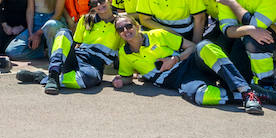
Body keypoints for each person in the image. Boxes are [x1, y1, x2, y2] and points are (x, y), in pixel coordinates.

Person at [111, 14, 264, 114]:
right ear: (118, 33)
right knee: (200, 97)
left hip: (189, 63)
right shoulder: (124, 53)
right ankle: (252, 96)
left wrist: (175, 59)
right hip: (179, 81)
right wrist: (120, 81)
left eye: (129, 26)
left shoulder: (158, 34)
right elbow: (127, 77)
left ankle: (246, 91)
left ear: (136, 26)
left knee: (204, 46)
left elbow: (191, 46)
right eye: (120, 29)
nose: (125, 30)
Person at [17, 0, 123, 95]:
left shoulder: (121, 24)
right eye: (95, 4)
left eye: (101, 0)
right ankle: (53, 74)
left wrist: (125, 75)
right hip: (77, 57)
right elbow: (76, 43)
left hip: (94, 65)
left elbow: (127, 47)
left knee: (88, 80)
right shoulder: (86, 20)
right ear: (93, 7)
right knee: (63, 32)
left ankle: (42, 77)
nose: (99, 5)